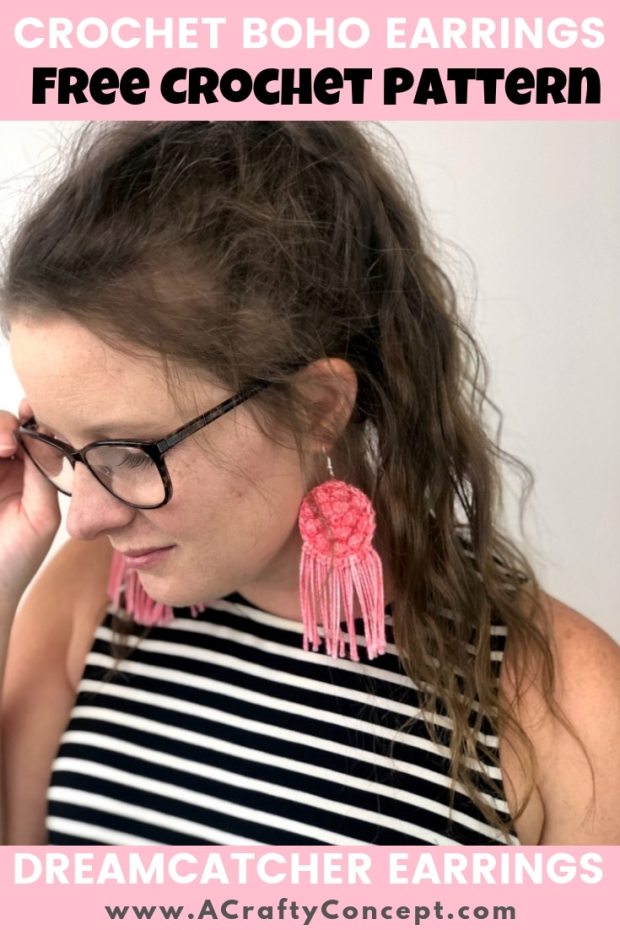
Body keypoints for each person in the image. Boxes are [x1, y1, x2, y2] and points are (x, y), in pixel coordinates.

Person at [0, 121, 618, 847]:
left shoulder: (566, 708)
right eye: (60, 442)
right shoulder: (88, 596)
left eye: (129, 452)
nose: (84, 519)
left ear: (319, 408)